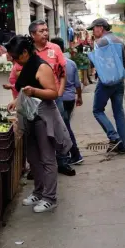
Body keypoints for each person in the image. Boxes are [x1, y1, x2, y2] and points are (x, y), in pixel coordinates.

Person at [6, 35, 72, 213]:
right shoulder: (26, 65)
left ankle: (50, 197)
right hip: (30, 116)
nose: (14, 60)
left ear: (25, 52)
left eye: (15, 56)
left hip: (43, 117)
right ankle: (39, 191)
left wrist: (34, 91)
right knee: (33, 158)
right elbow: (23, 90)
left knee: (47, 158)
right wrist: (16, 101)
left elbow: (53, 93)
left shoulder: (42, 66)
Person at [29, 20, 76, 176]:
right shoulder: (28, 51)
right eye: (41, 31)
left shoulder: (55, 48)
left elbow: (62, 72)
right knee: (38, 132)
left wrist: (60, 91)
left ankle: (63, 162)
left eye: (46, 30)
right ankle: (39, 166)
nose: (45, 33)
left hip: (54, 98)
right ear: (32, 35)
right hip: (34, 99)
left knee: (60, 129)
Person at [87, 18, 125, 154]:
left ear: (100, 28)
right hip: (120, 81)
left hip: (106, 82)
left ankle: (114, 137)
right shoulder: (119, 41)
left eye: (94, 28)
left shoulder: (100, 42)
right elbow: (123, 62)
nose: (93, 31)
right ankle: (123, 147)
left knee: (97, 110)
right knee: (119, 113)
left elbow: (96, 64)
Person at [51, 37, 84, 165]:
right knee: (64, 126)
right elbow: (77, 84)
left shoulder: (51, 63)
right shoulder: (71, 63)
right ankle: (66, 155)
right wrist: (79, 97)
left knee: (64, 128)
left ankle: (75, 154)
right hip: (69, 99)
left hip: (59, 99)